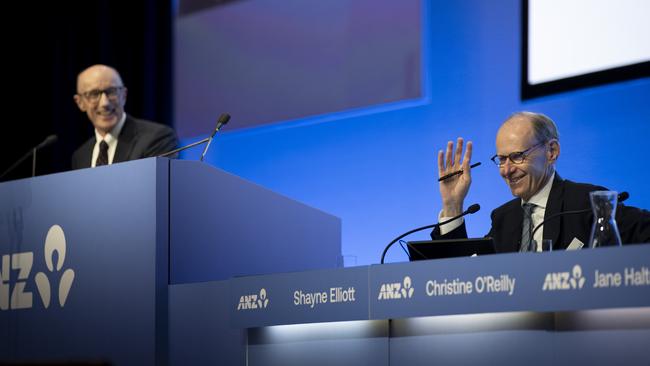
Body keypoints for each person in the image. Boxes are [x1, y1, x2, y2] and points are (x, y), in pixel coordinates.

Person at [432, 111, 650, 252]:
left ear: (551, 152)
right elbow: (461, 275)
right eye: (501, 159)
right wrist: (452, 205)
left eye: (517, 156)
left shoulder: (585, 204)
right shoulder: (503, 219)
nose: (506, 170)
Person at [71, 64, 178, 169]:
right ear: (80, 102)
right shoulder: (80, 156)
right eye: (94, 94)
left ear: (124, 95)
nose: (105, 103)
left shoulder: (157, 139)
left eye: (111, 92)